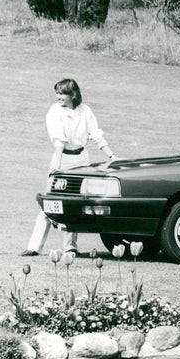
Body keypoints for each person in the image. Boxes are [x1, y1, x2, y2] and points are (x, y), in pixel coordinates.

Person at [21, 79, 117, 256]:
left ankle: (70, 246)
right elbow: (59, 143)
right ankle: (34, 247)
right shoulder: (54, 112)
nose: (59, 97)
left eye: (62, 93)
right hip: (62, 159)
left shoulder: (85, 111)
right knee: (49, 202)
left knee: (75, 204)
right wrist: (56, 169)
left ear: (73, 95)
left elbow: (96, 135)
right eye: (57, 93)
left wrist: (112, 156)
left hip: (82, 161)